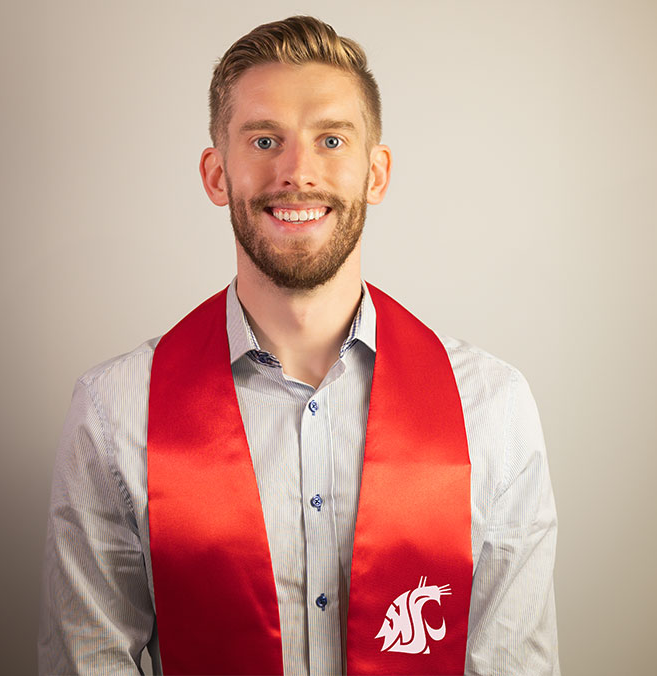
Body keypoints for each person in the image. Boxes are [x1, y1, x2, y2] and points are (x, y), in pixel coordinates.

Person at [38, 15, 559, 676]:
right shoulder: (114, 413)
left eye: (331, 139)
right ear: (217, 174)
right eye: (264, 140)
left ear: (376, 173)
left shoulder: (490, 409)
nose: (297, 172)